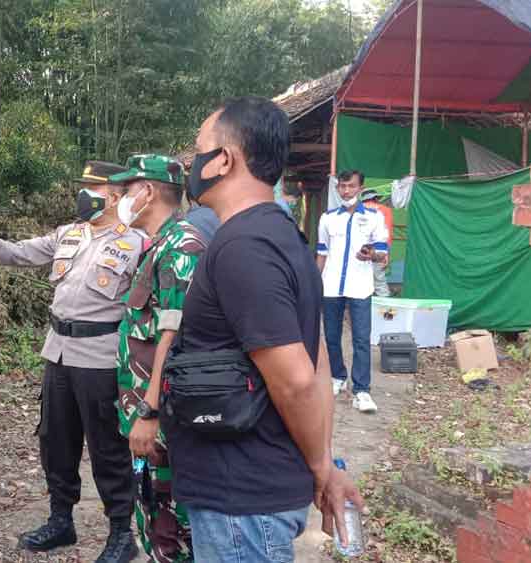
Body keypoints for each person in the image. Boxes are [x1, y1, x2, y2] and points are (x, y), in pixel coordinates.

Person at [167, 96, 364, 562]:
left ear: (224, 159)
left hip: (241, 501)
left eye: (198, 149)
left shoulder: (244, 247)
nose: (192, 163)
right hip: (251, 492)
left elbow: (297, 380)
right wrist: (323, 460)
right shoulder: (284, 237)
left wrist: (322, 467)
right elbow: (317, 359)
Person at [0, 161, 144, 563]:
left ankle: (122, 532)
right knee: (56, 440)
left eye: (92, 188)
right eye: (82, 185)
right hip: (59, 352)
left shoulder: (137, 243)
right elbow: (15, 253)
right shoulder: (68, 234)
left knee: (107, 447)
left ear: (114, 196)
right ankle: (61, 520)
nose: (83, 194)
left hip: (101, 358)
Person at [112, 154, 207, 563]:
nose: (120, 199)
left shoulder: (182, 247)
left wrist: (149, 411)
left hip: (163, 422)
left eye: (126, 190)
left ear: (148, 192)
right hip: (147, 419)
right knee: (152, 516)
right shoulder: (158, 245)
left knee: (172, 530)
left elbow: (176, 336)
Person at [317, 171, 389, 413]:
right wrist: (315, 283)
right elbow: (322, 253)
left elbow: (383, 255)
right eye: (342, 186)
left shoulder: (374, 217)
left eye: (351, 186)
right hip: (331, 285)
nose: (346, 191)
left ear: (361, 188)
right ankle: (337, 376)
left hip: (360, 286)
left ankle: (362, 390)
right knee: (331, 336)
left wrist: (372, 255)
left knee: (361, 338)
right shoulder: (327, 219)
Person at [361, 188, 394, 298]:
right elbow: (387, 233)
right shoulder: (384, 210)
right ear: (375, 198)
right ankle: (385, 308)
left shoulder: (355, 209)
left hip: (357, 252)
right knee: (379, 282)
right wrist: (386, 254)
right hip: (377, 251)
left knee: (357, 283)